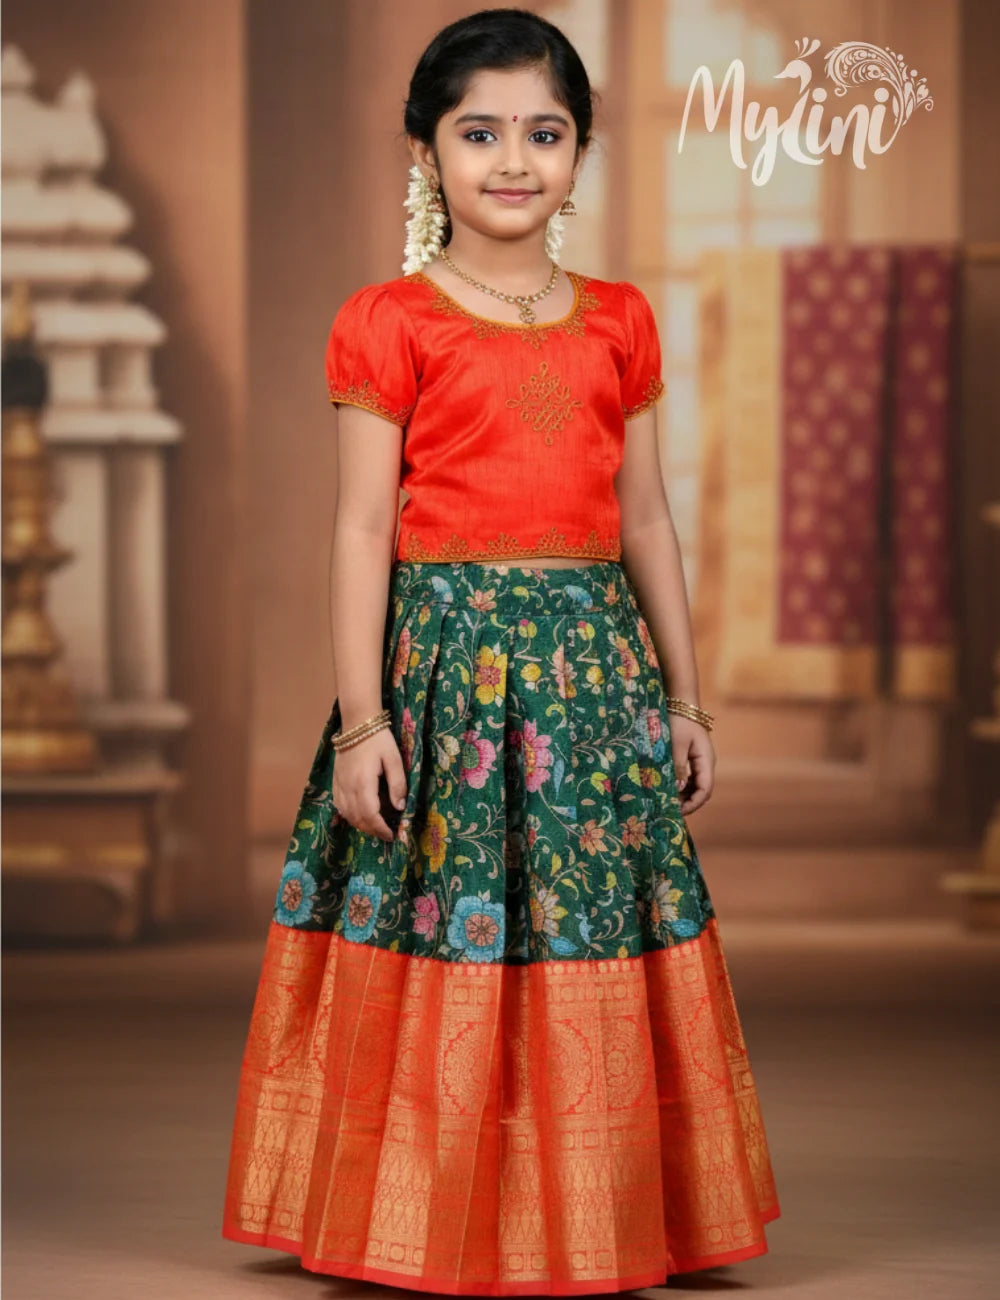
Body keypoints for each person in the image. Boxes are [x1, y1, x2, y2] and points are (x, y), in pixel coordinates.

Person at [222, 8, 780, 1293]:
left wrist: (685, 696)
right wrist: (363, 719)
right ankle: (428, 1209)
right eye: (479, 132)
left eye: (545, 131)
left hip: (592, 681)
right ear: (426, 150)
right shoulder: (388, 320)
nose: (512, 160)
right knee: (451, 925)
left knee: (587, 926)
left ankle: (595, 1214)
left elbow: (645, 517)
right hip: (445, 681)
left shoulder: (619, 322)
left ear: (581, 152)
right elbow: (364, 526)